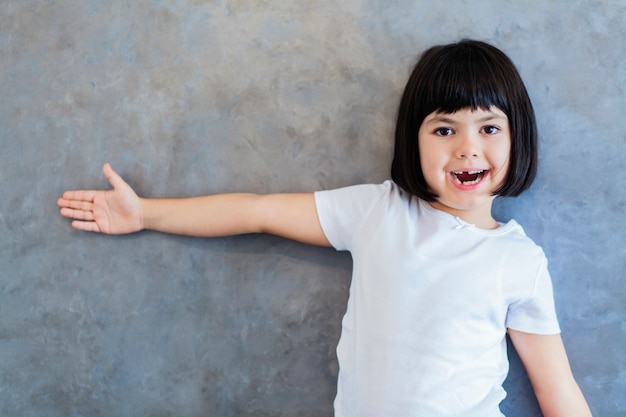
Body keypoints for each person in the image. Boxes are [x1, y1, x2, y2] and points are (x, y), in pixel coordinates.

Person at [57, 40, 592, 417]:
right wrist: (145, 212)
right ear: (415, 139)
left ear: (517, 137)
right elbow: (257, 210)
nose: (467, 147)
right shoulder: (379, 212)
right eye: (445, 128)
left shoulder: (518, 261)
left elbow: (558, 390)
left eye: (489, 127)